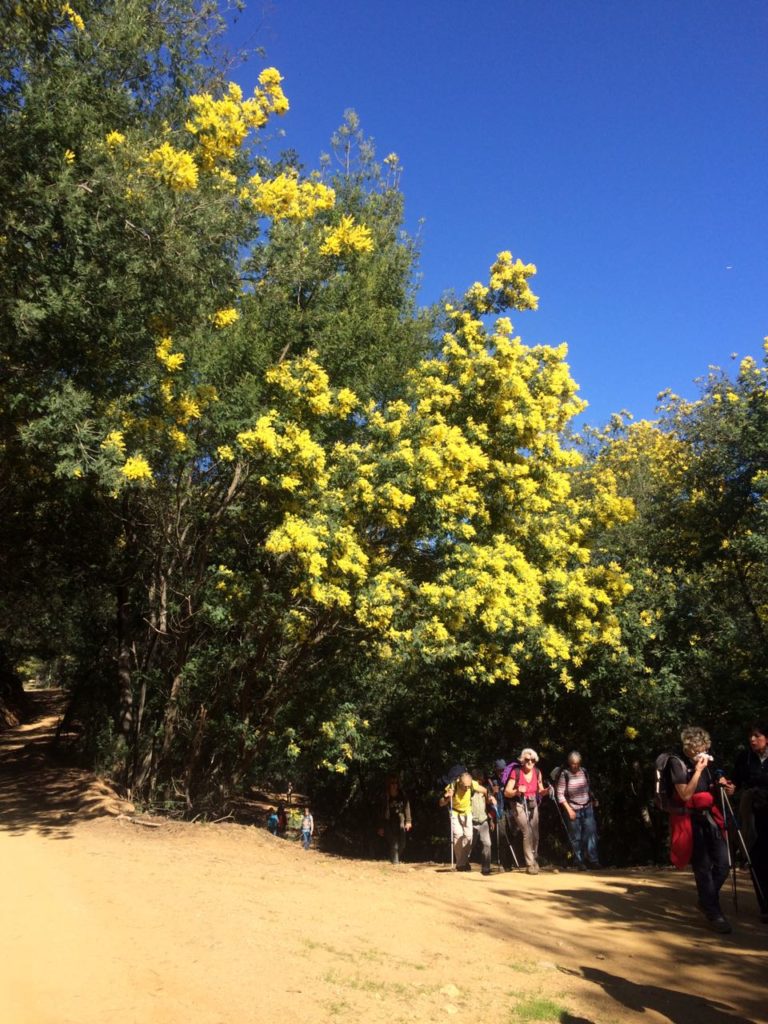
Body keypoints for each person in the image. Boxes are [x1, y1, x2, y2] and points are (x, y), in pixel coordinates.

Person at [667, 726, 734, 934]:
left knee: (724, 863)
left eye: (704, 747)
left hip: (710, 817)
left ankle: (706, 899)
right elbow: (685, 795)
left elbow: (716, 788)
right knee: (702, 866)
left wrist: (728, 788)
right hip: (690, 819)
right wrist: (697, 770)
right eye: (697, 747)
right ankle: (714, 913)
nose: (701, 751)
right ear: (688, 748)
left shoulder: (709, 764)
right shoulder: (677, 764)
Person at [732, 722, 768, 923]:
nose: (752, 739)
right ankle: (765, 905)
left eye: (757, 735)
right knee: (757, 857)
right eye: (750, 736)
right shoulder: (745, 758)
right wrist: (728, 786)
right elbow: (735, 781)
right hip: (753, 815)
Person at [504, 748, 550, 874]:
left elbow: (540, 790)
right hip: (518, 803)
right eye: (527, 760)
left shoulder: (537, 772)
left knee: (535, 833)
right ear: (522, 760)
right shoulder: (516, 772)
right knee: (527, 832)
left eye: (533, 760)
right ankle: (530, 864)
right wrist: (517, 791)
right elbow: (507, 792)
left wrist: (546, 791)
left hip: (532, 802)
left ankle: (534, 859)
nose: (530, 762)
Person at [556, 751, 600, 870]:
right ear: (569, 763)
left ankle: (593, 860)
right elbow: (560, 794)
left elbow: (587, 788)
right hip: (573, 808)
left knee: (591, 834)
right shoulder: (565, 774)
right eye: (572, 764)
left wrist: (593, 799)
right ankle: (579, 861)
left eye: (577, 763)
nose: (574, 766)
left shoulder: (584, 772)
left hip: (587, 807)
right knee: (576, 837)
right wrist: (569, 810)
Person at [439, 770, 487, 871]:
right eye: (465, 786)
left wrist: (489, 796)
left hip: (467, 812)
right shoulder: (452, 786)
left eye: (469, 786)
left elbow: (484, 790)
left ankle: (463, 861)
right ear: (459, 782)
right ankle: (461, 864)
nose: (467, 788)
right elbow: (441, 803)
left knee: (469, 837)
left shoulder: (472, 784)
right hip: (455, 812)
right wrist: (446, 796)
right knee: (458, 835)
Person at [378, 773, 412, 865]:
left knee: (403, 843)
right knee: (394, 842)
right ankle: (395, 863)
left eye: (395, 783)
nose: (394, 785)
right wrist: (381, 826)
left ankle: (393, 858)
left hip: (400, 820)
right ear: (389, 784)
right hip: (388, 821)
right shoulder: (385, 796)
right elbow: (381, 811)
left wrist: (408, 821)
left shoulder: (402, 795)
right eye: (392, 783)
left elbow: (407, 807)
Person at [470, 770, 496, 876]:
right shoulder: (469, 791)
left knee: (487, 844)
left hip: (483, 820)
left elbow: (489, 804)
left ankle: (486, 868)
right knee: (469, 845)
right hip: (472, 821)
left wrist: (491, 820)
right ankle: (463, 864)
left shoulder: (485, 791)